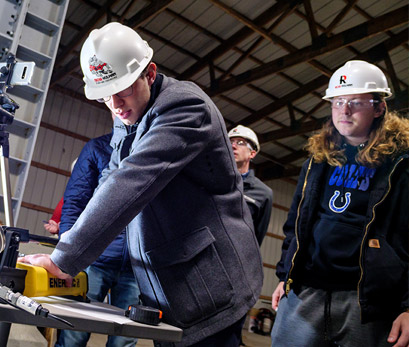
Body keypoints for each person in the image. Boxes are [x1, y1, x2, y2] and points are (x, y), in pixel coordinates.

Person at [20, 22, 263, 346]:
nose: (116, 104)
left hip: (211, 282)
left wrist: (63, 258)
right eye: (106, 97)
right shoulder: (129, 113)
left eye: (123, 91)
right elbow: (112, 178)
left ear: (150, 73)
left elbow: (133, 179)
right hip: (170, 284)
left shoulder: (185, 107)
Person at [271, 60, 409, 347]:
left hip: (366, 303)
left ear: (379, 107)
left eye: (356, 103)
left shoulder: (401, 165)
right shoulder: (318, 160)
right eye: (338, 102)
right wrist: (287, 274)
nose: (344, 111)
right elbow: (295, 222)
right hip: (305, 293)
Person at [56, 130, 139, 347]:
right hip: (93, 261)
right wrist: (66, 255)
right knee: (74, 333)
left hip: (138, 268)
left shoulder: (154, 148)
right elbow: (74, 200)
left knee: (124, 340)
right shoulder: (96, 148)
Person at [228, 125, 273, 245]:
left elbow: (256, 239)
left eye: (241, 142)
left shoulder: (263, 193)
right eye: (230, 141)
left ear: (252, 154)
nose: (233, 146)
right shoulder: (211, 180)